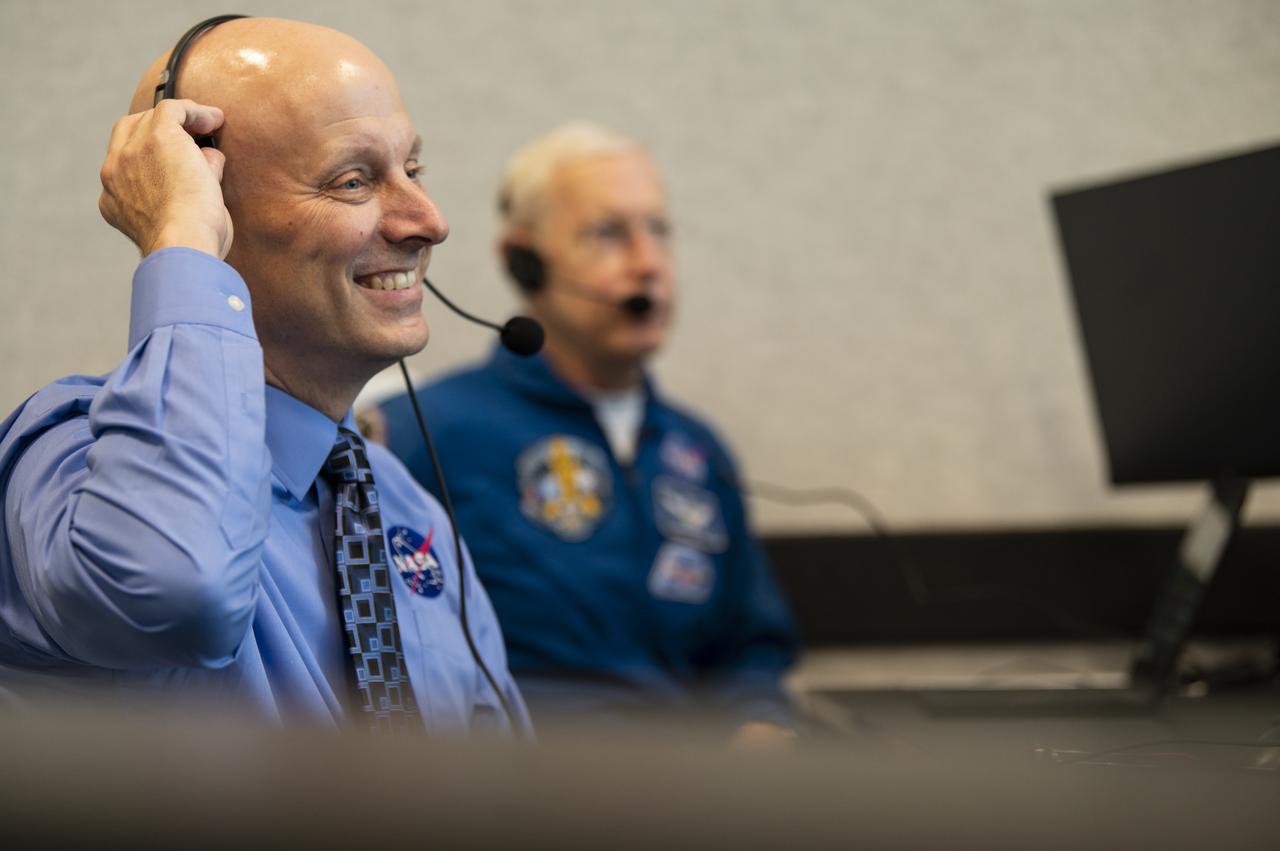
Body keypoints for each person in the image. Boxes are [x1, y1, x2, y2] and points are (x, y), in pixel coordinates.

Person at [0, 17, 529, 735]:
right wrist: (180, 239)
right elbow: (172, 589)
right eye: (354, 180)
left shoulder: (410, 511)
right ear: (211, 201)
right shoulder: (71, 458)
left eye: (414, 169)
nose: (427, 220)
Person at [379, 123, 799, 742]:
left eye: (658, 231)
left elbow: (751, 652)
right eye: (608, 235)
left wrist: (762, 725)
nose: (647, 263)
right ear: (525, 263)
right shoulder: (426, 432)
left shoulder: (696, 449)